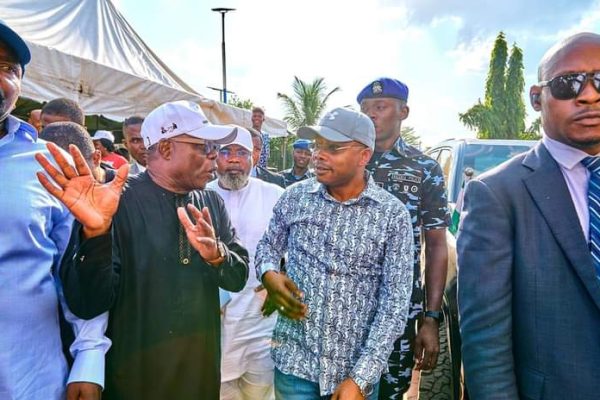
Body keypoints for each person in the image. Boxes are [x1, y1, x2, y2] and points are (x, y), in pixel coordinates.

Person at [37, 100, 250, 400]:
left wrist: (218, 256)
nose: (215, 159)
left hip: (199, 377)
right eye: (205, 148)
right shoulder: (113, 201)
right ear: (165, 149)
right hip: (134, 382)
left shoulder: (212, 203)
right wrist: (96, 234)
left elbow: (238, 276)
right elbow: (87, 303)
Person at [457, 32, 600, 399]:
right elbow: (486, 341)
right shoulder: (497, 194)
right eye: (568, 83)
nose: (589, 94)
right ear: (538, 98)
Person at [255, 107, 415, 400]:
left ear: (364, 155)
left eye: (333, 148)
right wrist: (269, 273)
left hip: (353, 375)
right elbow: (268, 246)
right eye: (317, 145)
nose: (318, 155)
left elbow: (395, 304)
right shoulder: (295, 197)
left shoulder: (393, 215)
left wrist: (361, 377)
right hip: (295, 366)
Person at [0, 20, 110, 400]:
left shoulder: (49, 164)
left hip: (29, 380)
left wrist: (89, 359)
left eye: (8, 69)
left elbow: (71, 273)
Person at [357, 78, 450, 399]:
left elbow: (436, 244)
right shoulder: (348, 162)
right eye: (365, 109)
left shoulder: (424, 168)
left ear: (403, 112)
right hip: (347, 305)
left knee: (391, 391)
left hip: (401, 310)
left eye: (380, 107)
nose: (371, 115)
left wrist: (431, 317)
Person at [206, 127, 284, 400]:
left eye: (242, 152)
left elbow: (294, 249)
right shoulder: (200, 194)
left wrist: (278, 282)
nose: (234, 159)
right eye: (226, 151)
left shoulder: (275, 195)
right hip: (214, 321)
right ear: (214, 155)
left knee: (261, 392)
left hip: (260, 318)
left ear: (254, 156)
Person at [40, 121, 116, 183]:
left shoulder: (124, 188)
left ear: (96, 158)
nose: (68, 180)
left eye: (76, 170)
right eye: (54, 173)